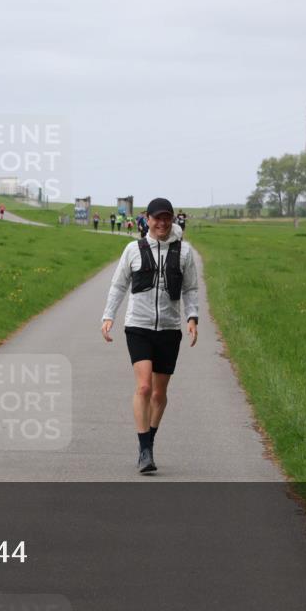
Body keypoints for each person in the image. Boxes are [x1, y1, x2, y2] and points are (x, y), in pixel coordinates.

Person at [100, 198, 199, 474]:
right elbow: (118, 285)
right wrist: (108, 315)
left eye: (167, 218)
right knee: (144, 387)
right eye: (157, 218)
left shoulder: (184, 252)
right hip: (138, 326)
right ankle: (144, 450)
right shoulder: (133, 249)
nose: (162, 223)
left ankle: (149, 440)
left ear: (173, 219)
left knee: (159, 393)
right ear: (148, 220)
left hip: (169, 328)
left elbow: (191, 289)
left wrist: (192, 317)